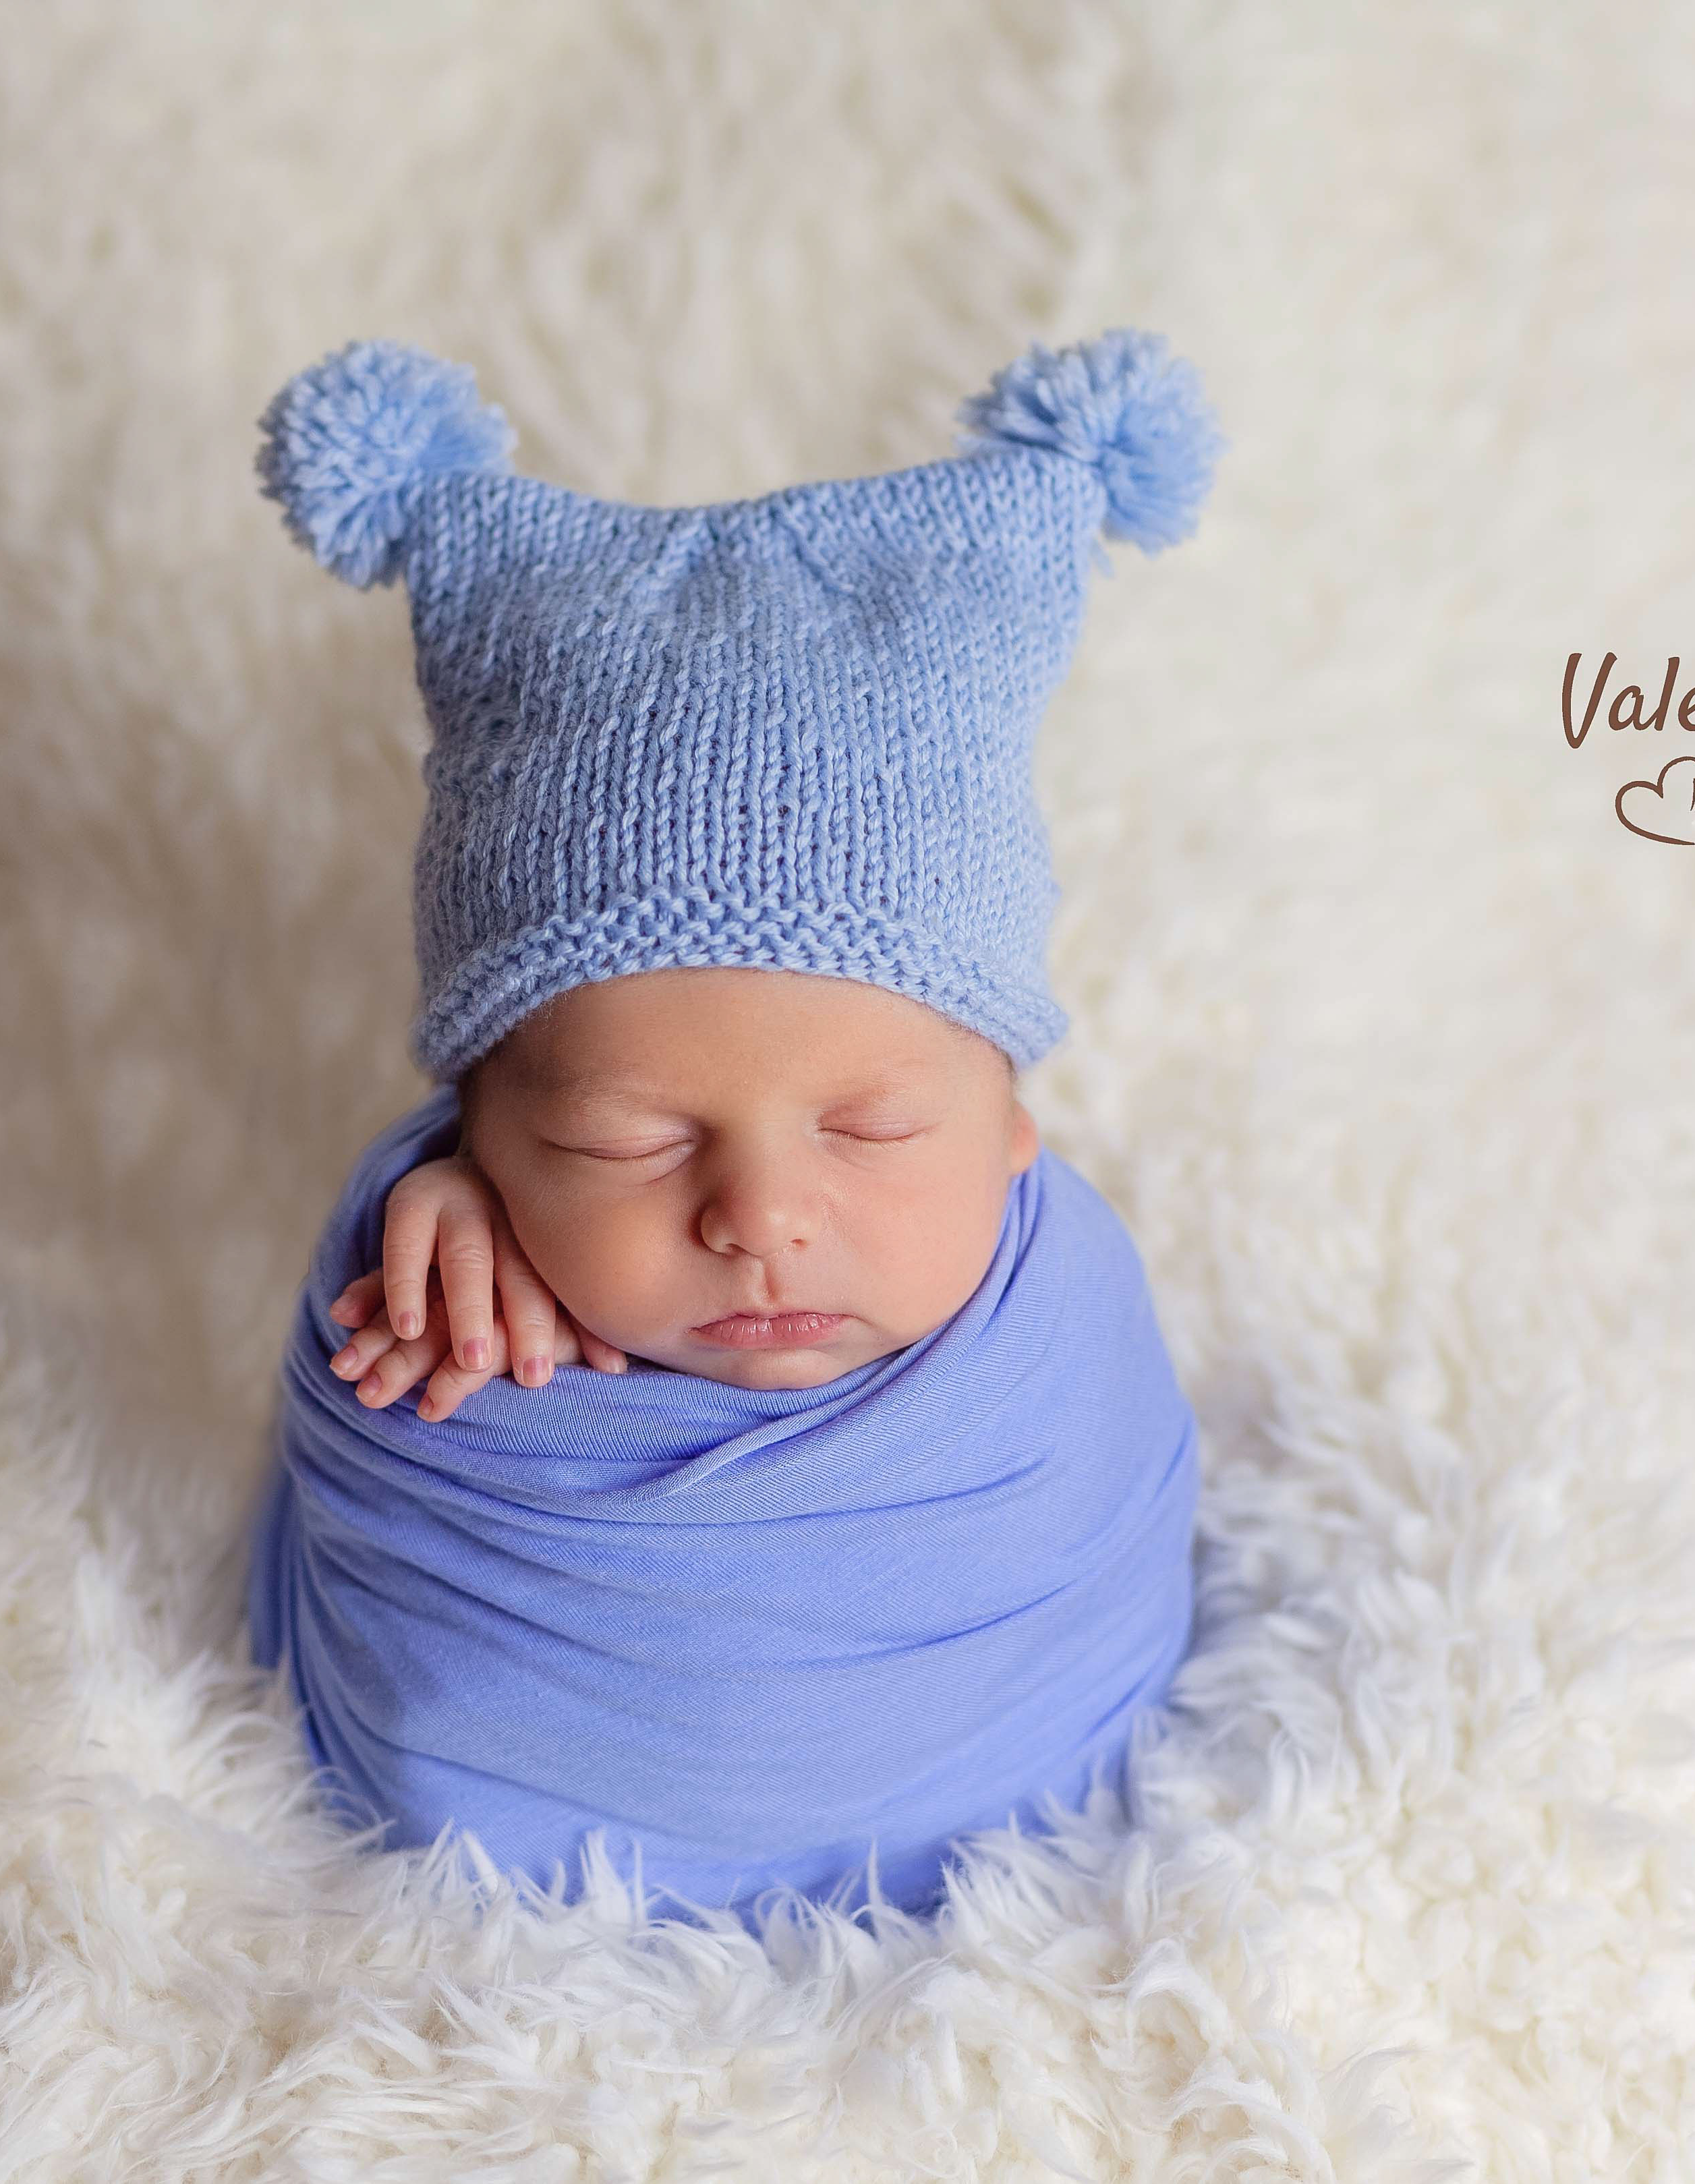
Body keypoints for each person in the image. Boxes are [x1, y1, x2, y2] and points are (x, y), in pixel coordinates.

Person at [243, 329, 1219, 1920]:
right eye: (625, 1141)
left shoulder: (1057, 1315)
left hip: (1034, 1866)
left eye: (878, 1122)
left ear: (1012, 1115)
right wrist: (421, 1221)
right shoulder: (450, 1254)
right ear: (473, 1119)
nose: (759, 1213)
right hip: (499, 1935)